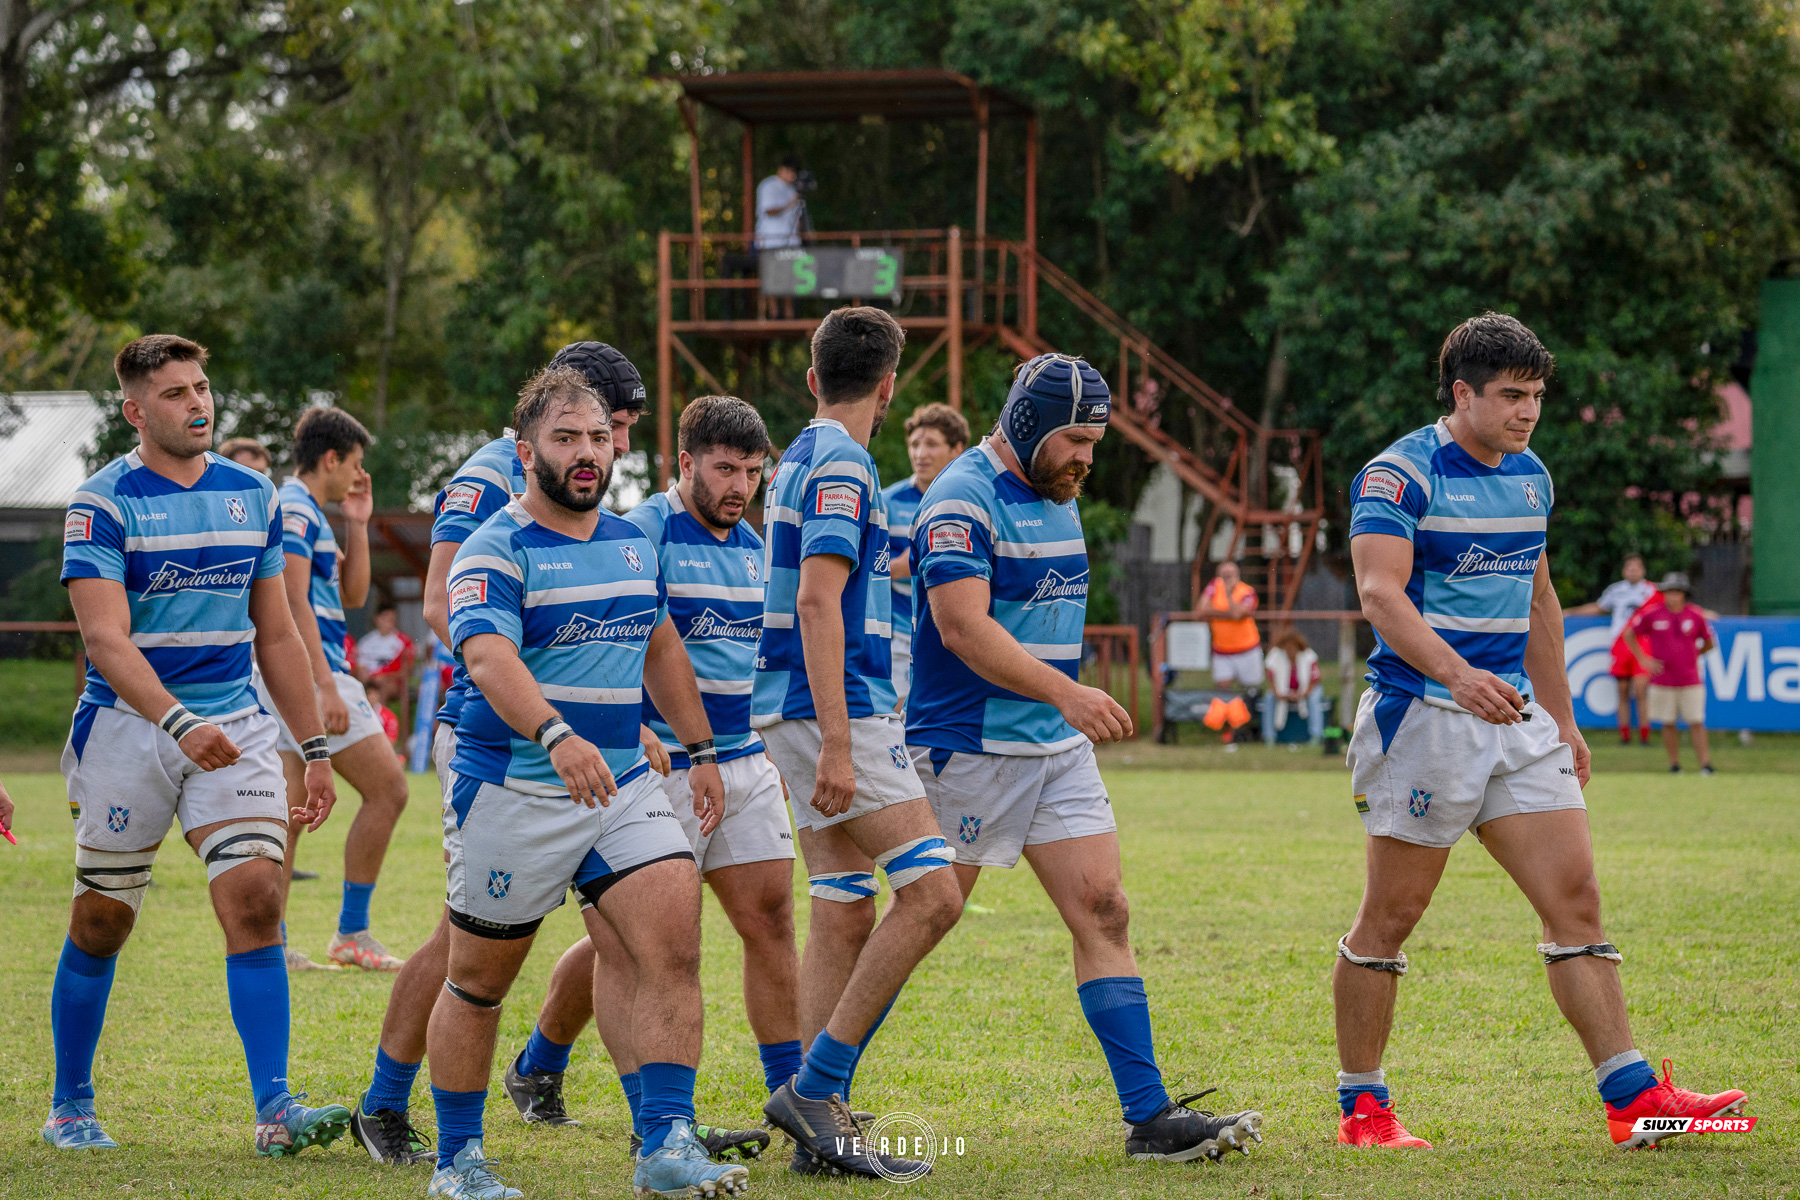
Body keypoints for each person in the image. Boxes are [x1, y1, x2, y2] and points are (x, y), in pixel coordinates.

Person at [1336, 312, 1745, 1152]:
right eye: (1511, 396)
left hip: (1517, 723)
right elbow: (1380, 594)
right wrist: (1458, 675)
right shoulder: (1398, 475)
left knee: (1576, 902)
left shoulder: (1531, 475)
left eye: (1537, 396)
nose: (1528, 412)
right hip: (1423, 720)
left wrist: (1563, 718)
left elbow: (1539, 600)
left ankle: (1632, 1099)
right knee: (1391, 918)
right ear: (1463, 394)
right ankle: (1363, 1111)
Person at [909, 353, 1265, 1163]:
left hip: (1053, 749)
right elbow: (963, 629)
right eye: (1075, 440)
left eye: (1094, 444)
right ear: (1027, 424)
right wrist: (1067, 693)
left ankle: (1149, 1117)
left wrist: (1061, 709)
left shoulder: (1059, 496)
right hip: (968, 746)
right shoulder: (961, 497)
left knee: (1104, 908)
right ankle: (816, 1093)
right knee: (921, 920)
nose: (1085, 459)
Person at [426, 365, 746, 1200]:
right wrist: (555, 734)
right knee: (479, 984)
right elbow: (487, 657)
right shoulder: (493, 547)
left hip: (622, 787)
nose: (587, 453)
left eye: (599, 438)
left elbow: (661, 644)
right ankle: (457, 1163)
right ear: (526, 449)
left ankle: (667, 1144)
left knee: (672, 946)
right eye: (565, 438)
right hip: (514, 791)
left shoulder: (633, 542)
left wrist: (703, 750)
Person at [348, 341, 663, 1167]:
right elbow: (441, 602)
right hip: (497, 740)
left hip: (580, 744)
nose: (617, 445)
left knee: (627, 932)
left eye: (618, 430)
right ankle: (387, 1101)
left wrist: (614, 715)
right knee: (467, 945)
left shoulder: (585, 482)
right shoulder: (495, 474)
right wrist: (541, 708)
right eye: (613, 424)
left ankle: (656, 1127)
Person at [49, 334, 351, 1155]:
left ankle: (275, 1111)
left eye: (203, 388)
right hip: (129, 728)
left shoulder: (253, 493)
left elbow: (278, 634)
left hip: (238, 723)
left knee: (257, 897)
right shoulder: (100, 503)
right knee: (103, 920)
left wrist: (314, 748)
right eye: (176, 393)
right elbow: (106, 640)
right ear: (135, 410)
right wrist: (179, 723)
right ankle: (70, 1102)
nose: (198, 404)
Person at [500, 396, 791, 1159]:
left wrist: (769, 747)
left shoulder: (754, 547)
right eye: (725, 469)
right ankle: (618, 1105)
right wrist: (627, 726)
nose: (740, 487)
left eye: (752, 472)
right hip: (653, 769)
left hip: (738, 759)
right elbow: (607, 641)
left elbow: (751, 660)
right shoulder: (642, 533)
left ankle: (794, 1102)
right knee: (633, 945)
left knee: (769, 922)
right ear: (684, 463)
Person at [755, 306, 964, 1179]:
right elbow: (816, 600)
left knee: (843, 903)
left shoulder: (798, 456)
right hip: (832, 707)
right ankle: (815, 1089)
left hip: (795, 706)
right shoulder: (844, 461)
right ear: (888, 388)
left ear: (814, 380)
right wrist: (839, 742)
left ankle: (820, 1124)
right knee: (934, 895)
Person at [250, 408, 411, 975]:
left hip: (290, 673)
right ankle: (351, 932)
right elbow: (292, 600)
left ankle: (274, 943)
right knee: (389, 790)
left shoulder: (308, 510)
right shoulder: (295, 506)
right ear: (331, 458)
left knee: (290, 812)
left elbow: (353, 595)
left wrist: (358, 522)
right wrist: (323, 684)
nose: (359, 475)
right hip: (311, 672)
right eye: (356, 464)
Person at [881, 403, 970, 709]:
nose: (920, 454)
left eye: (931, 444)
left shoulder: (970, 503)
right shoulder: (887, 502)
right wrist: (912, 560)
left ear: (957, 449)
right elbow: (867, 571)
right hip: (897, 636)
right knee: (897, 720)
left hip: (953, 636)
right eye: (915, 444)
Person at [1624, 572, 1716, 775]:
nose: (1672, 596)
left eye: (1677, 591)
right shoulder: (1652, 614)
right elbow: (1629, 633)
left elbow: (1709, 642)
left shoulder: (1695, 615)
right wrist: (1643, 659)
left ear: (1684, 594)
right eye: (1669, 591)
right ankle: (1674, 765)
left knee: (1696, 721)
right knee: (1668, 722)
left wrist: (1694, 654)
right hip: (1663, 679)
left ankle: (1705, 765)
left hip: (1690, 678)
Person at [1567, 554, 1657, 745]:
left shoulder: (1652, 591)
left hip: (1642, 643)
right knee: (1622, 690)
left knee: (1641, 690)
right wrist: (1570, 612)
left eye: (1637, 567)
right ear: (1624, 571)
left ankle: (1645, 735)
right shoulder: (1616, 590)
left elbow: (1673, 607)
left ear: (1643, 570)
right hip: (1621, 643)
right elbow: (1598, 607)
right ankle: (1625, 735)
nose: (1633, 571)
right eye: (1630, 567)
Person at [1195, 560, 1259, 746]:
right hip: (1222, 650)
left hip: (1247, 648)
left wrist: (1228, 597)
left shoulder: (1247, 591)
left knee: (1249, 691)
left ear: (1237, 575)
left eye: (1230, 575)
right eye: (1223, 575)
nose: (1226, 578)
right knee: (1224, 693)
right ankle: (1228, 731)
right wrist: (1228, 613)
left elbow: (1238, 614)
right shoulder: (1213, 587)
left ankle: (1248, 730)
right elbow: (1200, 611)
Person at [1262, 629, 1323, 744]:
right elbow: (1270, 677)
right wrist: (1278, 693)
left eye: (1293, 647)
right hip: (1282, 692)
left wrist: (1303, 693)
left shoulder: (1309, 656)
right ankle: (1269, 736)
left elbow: (1314, 679)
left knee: (1314, 698)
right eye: (1287, 647)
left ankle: (1316, 735)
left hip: (1307, 691)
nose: (1290, 650)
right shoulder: (1275, 655)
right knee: (1269, 698)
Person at [356, 604, 414, 708]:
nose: (389, 622)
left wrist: (383, 676)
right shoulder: (366, 641)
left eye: (392, 619)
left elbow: (406, 670)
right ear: (377, 619)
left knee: (382, 684)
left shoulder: (403, 641)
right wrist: (368, 676)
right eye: (386, 618)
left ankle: (380, 716)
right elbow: (360, 666)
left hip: (391, 682)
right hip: (370, 680)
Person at [366, 680, 401, 754]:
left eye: (373, 694)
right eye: (368, 694)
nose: (371, 697)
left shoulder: (389, 716)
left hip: (381, 752)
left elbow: (392, 740)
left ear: (378, 695)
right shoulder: (359, 714)